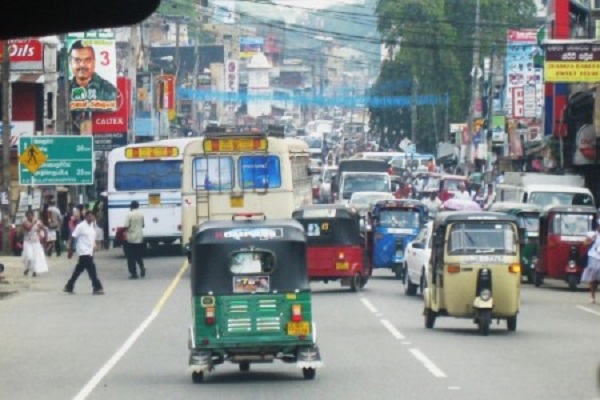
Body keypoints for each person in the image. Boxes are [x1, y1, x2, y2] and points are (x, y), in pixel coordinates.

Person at [64, 211, 104, 295]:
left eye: (92, 216)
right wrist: (70, 250)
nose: (91, 218)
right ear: (85, 217)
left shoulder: (93, 226)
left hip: (89, 251)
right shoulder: (81, 226)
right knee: (92, 270)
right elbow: (73, 237)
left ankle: (69, 285)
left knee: (78, 270)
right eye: (89, 216)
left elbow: (92, 238)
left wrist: (94, 246)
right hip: (83, 251)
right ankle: (97, 287)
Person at [69, 40, 117, 104]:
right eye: (77, 60)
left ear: (94, 62)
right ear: (71, 63)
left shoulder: (108, 90)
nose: (82, 65)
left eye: (87, 60)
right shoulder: (63, 89)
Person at [21, 210, 49, 277]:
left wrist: (45, 239)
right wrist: (33, 223)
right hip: (28, 242)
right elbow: (28, 228)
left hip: (36, 242)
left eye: (31, 215)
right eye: (28, 215)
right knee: (29, 256)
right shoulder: (24, 222)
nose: (30, 216)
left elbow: (45, 229)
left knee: (36, 258)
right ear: (26, 216)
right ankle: (27, 268)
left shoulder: (38, 222)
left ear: (33, 215)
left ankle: (34, 271)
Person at [124, 200, 146, 279]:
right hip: (139, 237)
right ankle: (142, 266)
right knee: (138, 255)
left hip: (131, 238)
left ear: (131, 206)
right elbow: (143, 225)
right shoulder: (141, 214)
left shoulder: (129, 214)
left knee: (130, 257)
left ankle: (134, 273)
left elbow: (126, 225)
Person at [582, 223, 600, 303]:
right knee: (593, 275)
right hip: (593, 256)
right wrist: (591, 239)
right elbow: (585, 243)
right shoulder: (592, 234)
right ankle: (592, 296)